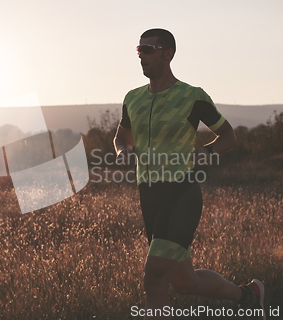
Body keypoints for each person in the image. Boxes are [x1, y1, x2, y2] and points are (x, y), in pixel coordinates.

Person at [113, 28, 265, 319]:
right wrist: (123, 151)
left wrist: (207, 152)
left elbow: (228, 137)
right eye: (138, 50)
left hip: (181, 192)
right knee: (184, 282)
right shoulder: (132, 98)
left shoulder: (192, 96)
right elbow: (121, 137)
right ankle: (249, 296)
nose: (141, 56)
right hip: (149, 195)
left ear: (167, 54)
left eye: (148, 49)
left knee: (154, 276)